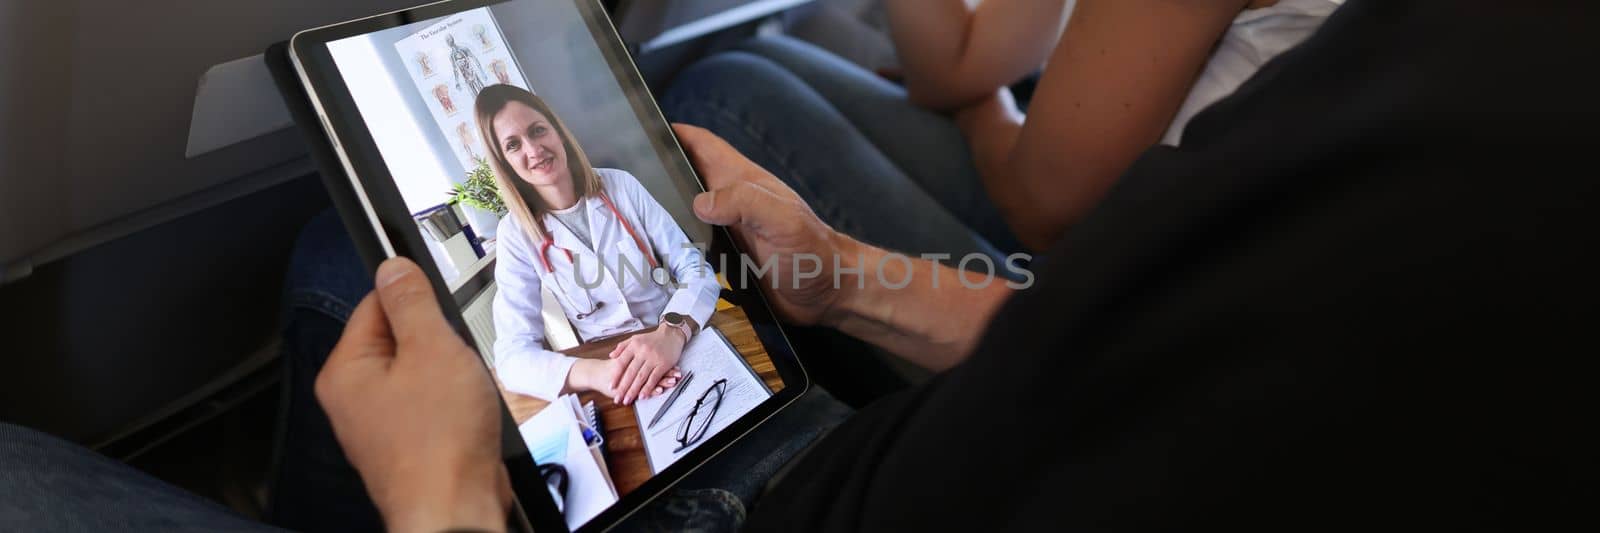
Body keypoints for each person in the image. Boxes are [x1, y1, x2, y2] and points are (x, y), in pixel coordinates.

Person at [2, 1, 1595, 531]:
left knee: (339, 284)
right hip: (780, 431)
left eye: (553, 146)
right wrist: (834, 276)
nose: (554, 158)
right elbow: (1134, 324)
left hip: (684, 463)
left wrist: (445, 500)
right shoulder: (1424, 151)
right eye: (535, 150)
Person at [662, 0, 1342, 258]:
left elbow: (1042, 209)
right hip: (1162, 225)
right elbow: (958, 66)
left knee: (726, 93)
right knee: (774, 52)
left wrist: (989, 113)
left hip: (1139, 289)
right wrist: (978, 100)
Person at [475, 84, 721, 406]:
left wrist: (671, 333)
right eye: (513, 144)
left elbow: (695, 268)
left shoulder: (621, 186)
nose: (534, 150)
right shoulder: (515, 235)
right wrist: (599, 374)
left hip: (676, 339)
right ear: (504, 162)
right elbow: (512, 358)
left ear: (558, 132)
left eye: (538, 131)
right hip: (614, 371)